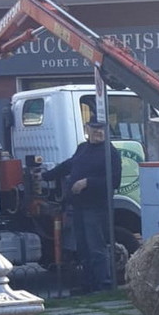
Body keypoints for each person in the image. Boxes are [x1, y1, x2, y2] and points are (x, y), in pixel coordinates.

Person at [43, 119, 121, 293]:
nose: (99, 132)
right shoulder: (82, 148)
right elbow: (69, 165)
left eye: (102, 129)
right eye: (95, 128)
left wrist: (87, 182)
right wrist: (45, 176)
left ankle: (103, 286)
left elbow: (114, 181)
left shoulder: (110, 152)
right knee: (83, 248)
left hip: (96, 206)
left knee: (96, 248)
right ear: (87, 129)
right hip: (78, 206)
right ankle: (88, 285)